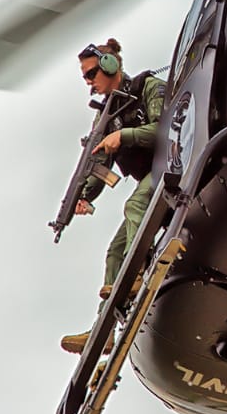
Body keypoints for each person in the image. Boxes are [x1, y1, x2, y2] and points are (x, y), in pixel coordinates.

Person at [60, 38, 166, 354]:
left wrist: (125, 135)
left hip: (174, 162)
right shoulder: (105, 116)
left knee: (134, 205)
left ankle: (140, 273)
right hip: (151, 180)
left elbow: (165, 129)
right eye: (85, 77)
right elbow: (100, 165)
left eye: (92, 74)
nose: (89, 82)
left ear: (110, 66)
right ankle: (103, 330)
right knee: (114, 252)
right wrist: (85, 195)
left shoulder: (148, 87)